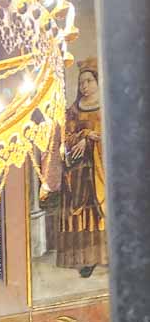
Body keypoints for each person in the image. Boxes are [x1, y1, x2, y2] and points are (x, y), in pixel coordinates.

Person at [55, 60, 107, 278]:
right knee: (81, 215)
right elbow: (63, 139)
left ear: (97, 82)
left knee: (100, 212)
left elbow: (119, 136)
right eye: (81, 82)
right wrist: (84, 136)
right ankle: (85, 259)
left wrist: (94, 139)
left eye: (88, 81)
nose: (84, 86)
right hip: (78, 174)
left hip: (101, 172)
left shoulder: (108, 109)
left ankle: (105, 255)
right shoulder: (72, 111)